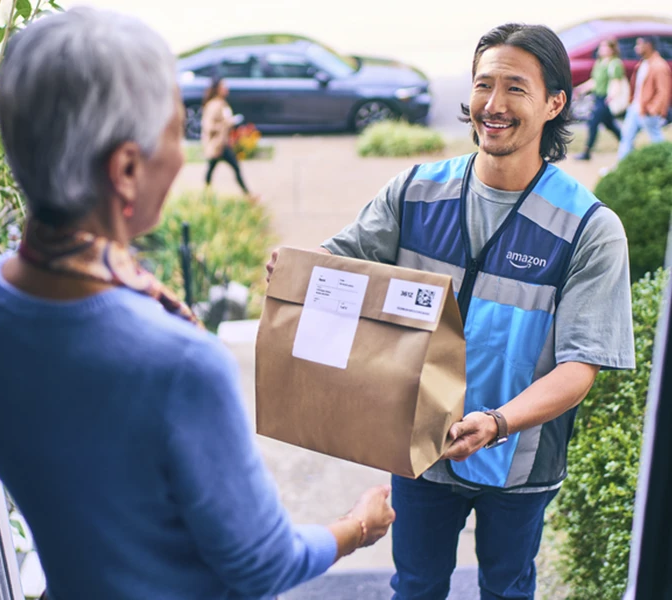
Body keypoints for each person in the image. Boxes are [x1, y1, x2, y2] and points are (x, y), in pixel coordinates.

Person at [0, 7, 395, 600]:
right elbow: (262, 565)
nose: (184, 153)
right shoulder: (179, 365)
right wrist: (357, 526)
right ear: (127, 169)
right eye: (174, 130)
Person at [267, 23, 635, 599]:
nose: (493, 104)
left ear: (555, 103)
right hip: (416, 448)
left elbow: (580, 367)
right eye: (483, 84)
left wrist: (498, 422)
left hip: (521, 461)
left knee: (508, 590)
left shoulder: (589, 228)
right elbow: (337, 265)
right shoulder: (415, 191)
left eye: (515, 87)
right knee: (415, 586)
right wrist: (293, 270)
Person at [201, 76, 257, 199]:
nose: (226, 89)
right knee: (221, 169)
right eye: (223, 86)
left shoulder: (222, 103)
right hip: (217, 145)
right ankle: (247, 195)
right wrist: (227, 123)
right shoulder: (214, 105)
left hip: (222, 144)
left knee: (228, 168)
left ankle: (206, 194)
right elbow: (208, 126)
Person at [617, 35, 672, 161]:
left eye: (639, 44)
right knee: (626, 137)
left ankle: (667, 163)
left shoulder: (659, 66)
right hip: (636, 108)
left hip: (647, 111)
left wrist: (653, 109)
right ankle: (620, 167)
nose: (636, 48)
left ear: (648, 45)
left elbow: (663, 92)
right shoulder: (643, 63)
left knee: (656, 139)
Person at [573, 38, 625, 160]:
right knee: (610, 125)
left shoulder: (615, 64)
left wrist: (612, 96)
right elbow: (594, 82)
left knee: (593, 123)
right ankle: (627, 143)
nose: (602, 50)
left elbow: (617, 82)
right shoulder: (599, 63)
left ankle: (587, 151)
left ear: (612, 49)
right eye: (601, 47)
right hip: (598, 97)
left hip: (606, 99)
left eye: (606, 47)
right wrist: (580, 89)